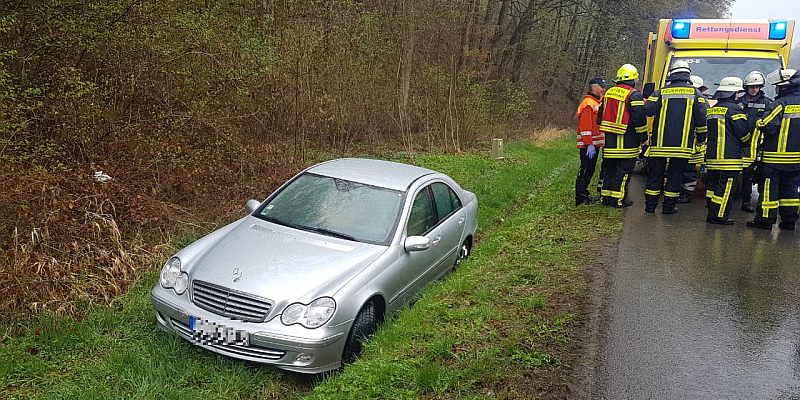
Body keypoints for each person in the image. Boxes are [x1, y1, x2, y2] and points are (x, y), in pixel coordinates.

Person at [642, 61, 708, 214]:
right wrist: (701, 138)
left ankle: (650, 207)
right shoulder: (696, 95)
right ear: (687, 75)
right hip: (682, 147)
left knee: (655, 176)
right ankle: (668, 207)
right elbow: (701, 120)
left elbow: (648, 110)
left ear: (672, 74)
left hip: (659, 145)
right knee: (675, 177)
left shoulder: (660, 92)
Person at [747, 69, 800, 231]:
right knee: (790, 190)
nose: (775, 89)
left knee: (769, 189)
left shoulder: (781, 103)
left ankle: (765, 220)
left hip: (775, 158)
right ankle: (789, 221)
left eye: (777, 86)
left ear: (785, 87)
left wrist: (758, 121)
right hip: (796, 159)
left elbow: (767, 125)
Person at [597, 64, 647, 208]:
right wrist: (643, 137)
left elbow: (599, 118)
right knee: (623, 172)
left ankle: (605, 199)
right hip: (627, 142)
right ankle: (618, 200)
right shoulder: (634, 94)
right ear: (632, 78)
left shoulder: (609, 93)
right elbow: (639, 119)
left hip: (609, 142)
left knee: (609, 171)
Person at [705, 77, 750, 225]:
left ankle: (712, 213)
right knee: (726, 189)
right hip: (729, 159)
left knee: (713, 188)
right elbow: (743, 134)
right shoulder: (735, 110)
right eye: (737, 93)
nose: (738, 95)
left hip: (712, 158)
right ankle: (720, 216)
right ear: (733, 93)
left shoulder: (713, 109)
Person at [738, 71, 772, 212]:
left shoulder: (767, 103)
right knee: (735, 174)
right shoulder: (738, 102)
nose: (754, 89)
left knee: (752, 175)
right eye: (752, 87)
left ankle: (748, 202)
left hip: (759, 146)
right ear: (746, 87)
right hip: (740, 144)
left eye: (757, 87)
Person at [677, 75, 710, 204]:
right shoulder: (701, 102)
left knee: (689, 170)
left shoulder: (703, 103)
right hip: (691, 142)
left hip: (693, 143)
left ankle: (687, 193)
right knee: (683, 168)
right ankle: (684, 192)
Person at [575, 77, 607, 206]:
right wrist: (589, 144)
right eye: (601, 87)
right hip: (588, 145)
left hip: (593, 144)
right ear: (594, 88)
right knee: (586, 170)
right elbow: (585, 127)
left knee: (590, 170)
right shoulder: (588, 104)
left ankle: (583, 194)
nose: (603, 89)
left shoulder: (596, 102)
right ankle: (580, 197)